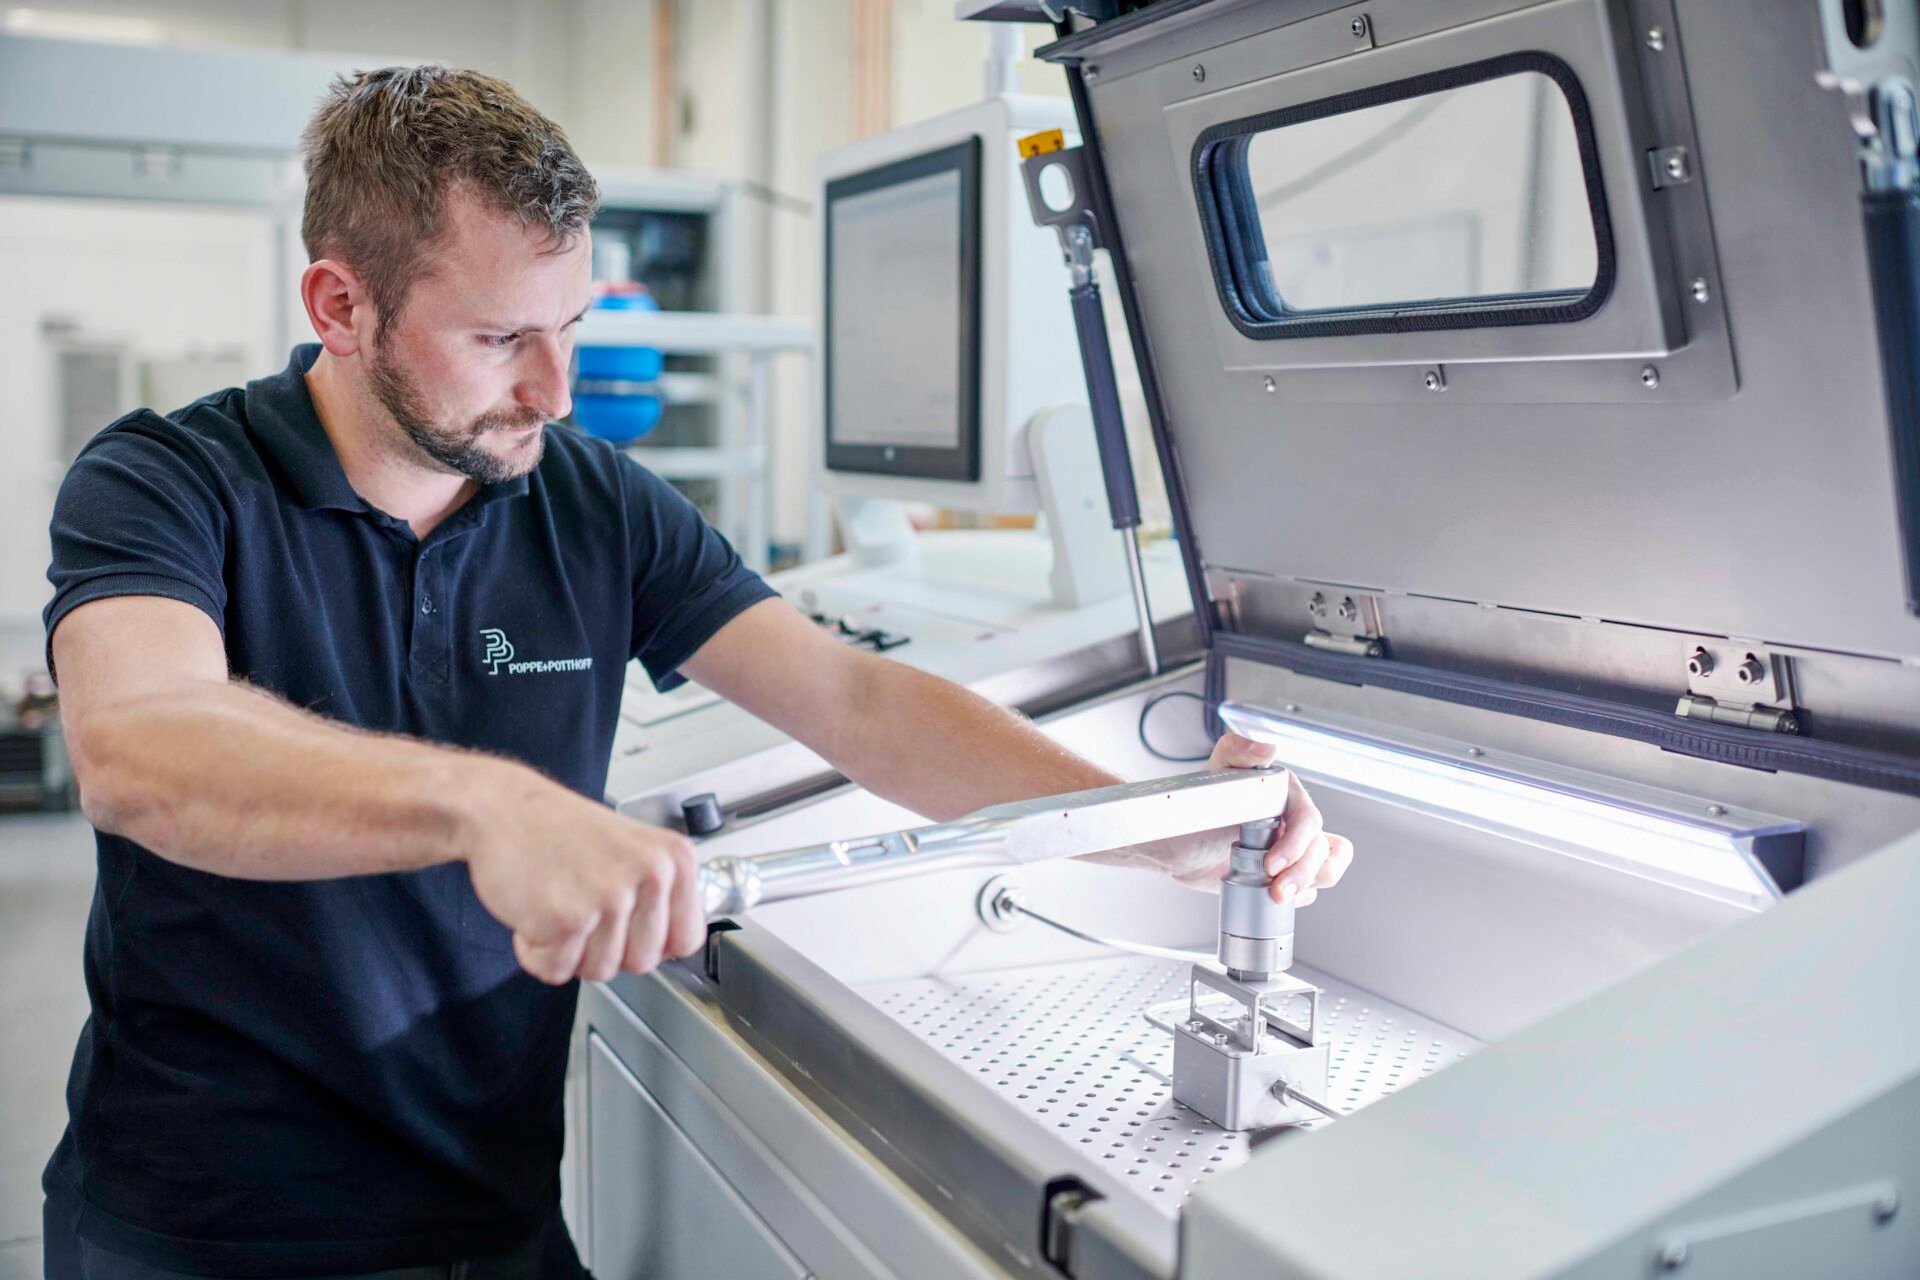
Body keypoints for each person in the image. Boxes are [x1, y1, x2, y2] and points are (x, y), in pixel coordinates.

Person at [39, 65, 1354, 1279]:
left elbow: (853, 699)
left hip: (490, 1213)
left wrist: (1148, 830)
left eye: (575, 325)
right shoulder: (170, 481)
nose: (557, 392)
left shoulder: (591, 503)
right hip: (201, 1225)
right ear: (340, 303)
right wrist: (490, 804)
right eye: (502, 341)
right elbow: (143, 742)